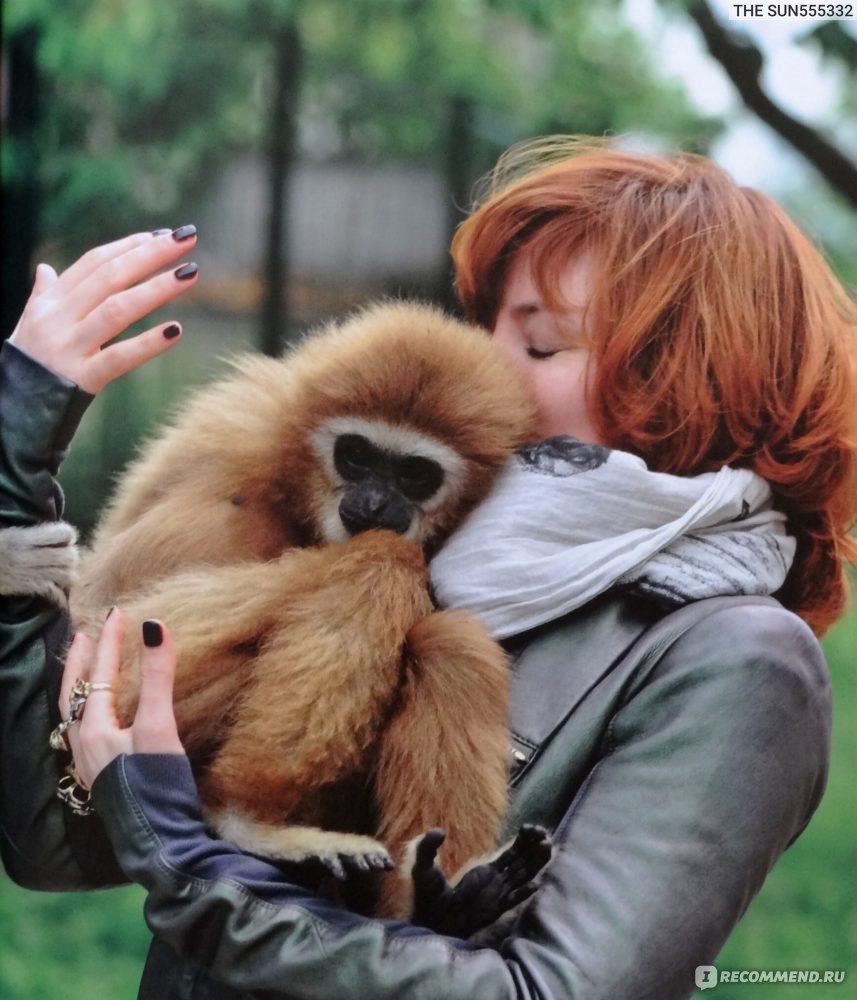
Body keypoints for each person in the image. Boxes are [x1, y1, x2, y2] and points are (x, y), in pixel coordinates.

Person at [1, 138, 855, 1000]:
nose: (485, 367)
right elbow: (51, 830)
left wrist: (195, 869)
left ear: (678, 383)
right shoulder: (404, 538)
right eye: (489, 326)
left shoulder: (734, 662)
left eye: (542, 344)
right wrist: (14, 468)